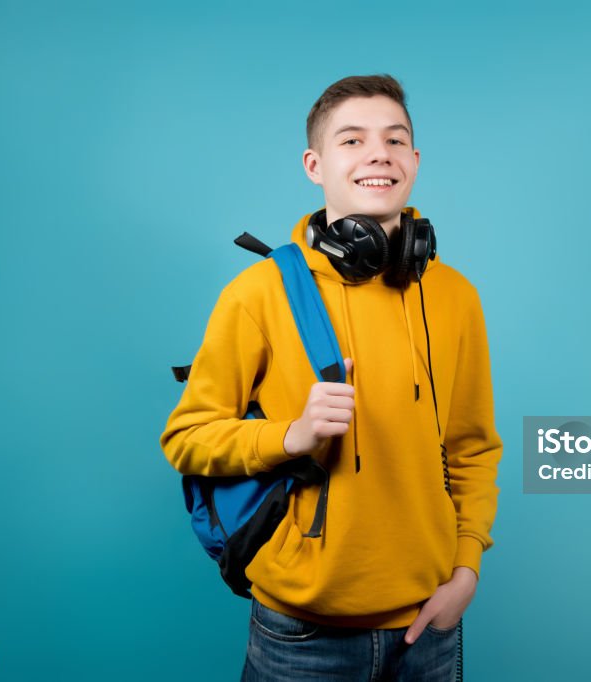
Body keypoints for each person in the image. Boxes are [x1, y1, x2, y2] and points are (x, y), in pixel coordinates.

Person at [160, 74, 502, 681]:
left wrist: (467, 568)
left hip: (429, 625)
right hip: (301, 635)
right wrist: (291, 436)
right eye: (352, 140)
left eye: (395, 140)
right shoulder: (261, 294)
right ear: (315, 165)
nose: (379, 153)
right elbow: (187, 438)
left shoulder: (456, 298)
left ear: (414, 161)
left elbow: (472, 447)